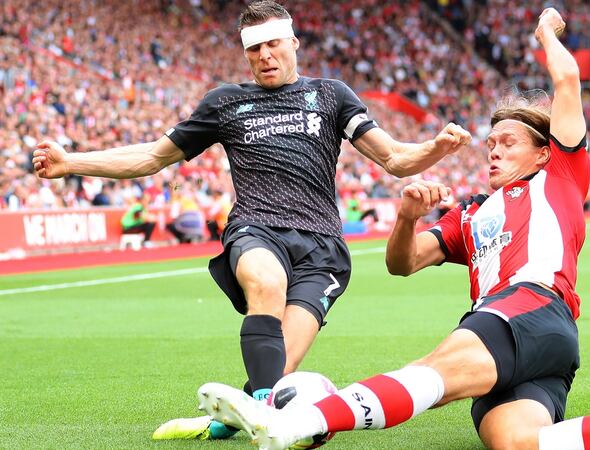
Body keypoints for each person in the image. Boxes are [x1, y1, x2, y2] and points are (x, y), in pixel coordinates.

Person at [194, 9, 590, 450]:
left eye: (508, 142)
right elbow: (402, 263)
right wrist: (407, 215)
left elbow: (565, 80)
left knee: (430, 373)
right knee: (518, 441)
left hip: (530, 307)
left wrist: (546, 33)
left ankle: (295, 422)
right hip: (540, 346)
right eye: (490, 143)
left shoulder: (560, 175)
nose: (493, 151)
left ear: (543, 152)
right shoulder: (469, 213)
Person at [32, 0, 470, 441]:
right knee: (266, 283)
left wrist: (435, 148)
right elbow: (151, 156)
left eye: (273, 44)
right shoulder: (226, 102)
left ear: (293, 43)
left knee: (278, 372)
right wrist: (72, 163)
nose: (265, 55)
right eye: (254, 48)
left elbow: (394, 158)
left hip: (323, 250)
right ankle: (267, 416)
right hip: (256, 229)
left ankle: (228, 420)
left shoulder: (332, 95)